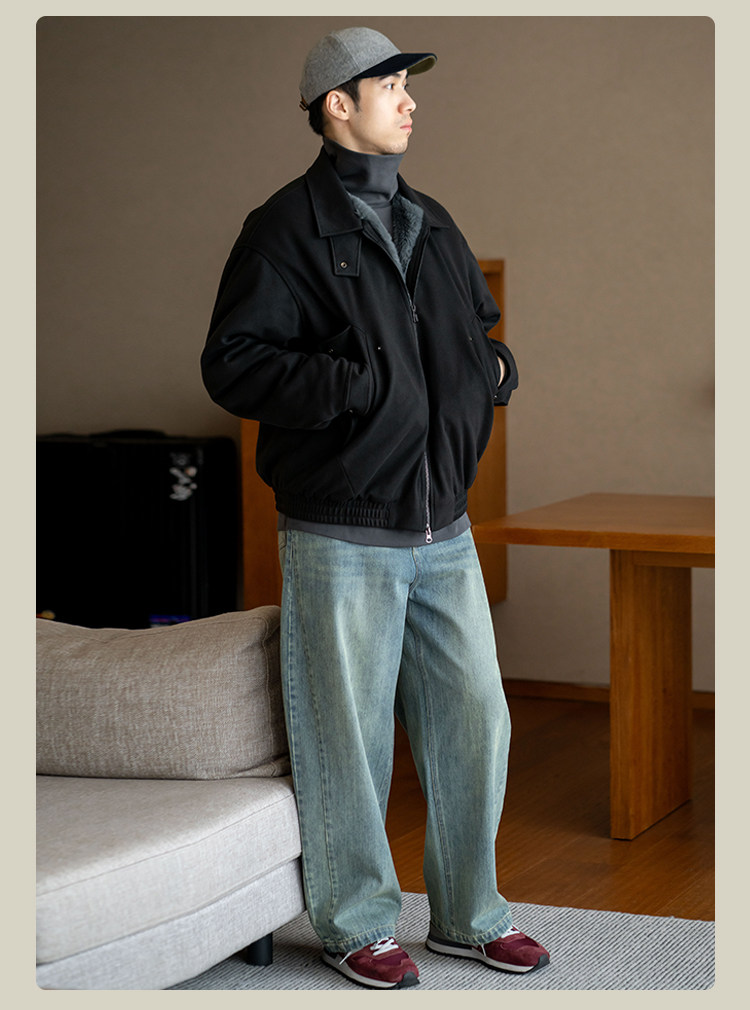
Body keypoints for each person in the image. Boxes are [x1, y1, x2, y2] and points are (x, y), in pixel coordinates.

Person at [201, 26, 549, 990]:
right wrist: (354, 389)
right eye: (388, 84)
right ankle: (356, 924)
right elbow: (234, 364)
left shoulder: (431, 219)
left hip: (444, 526)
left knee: (476, 719)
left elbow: (477, 326)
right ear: (336, 105)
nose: (408, 99)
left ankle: (469, 916)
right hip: (342, 527)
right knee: (347, 738)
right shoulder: (283, 228)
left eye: (406, 84)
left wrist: (492, 373)